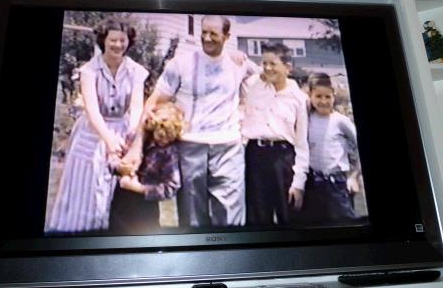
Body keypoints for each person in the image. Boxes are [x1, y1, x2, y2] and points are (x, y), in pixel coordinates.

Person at [123, 15, 253, 227]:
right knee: (192, 220)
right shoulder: (181, 64)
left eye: (214, 34)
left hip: (229, 148)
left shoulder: (239, 63)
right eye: (204, 32)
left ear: (227, 36)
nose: (207, 38)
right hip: (191, 147)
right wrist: (137, 146)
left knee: (230, 220)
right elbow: (153, 103)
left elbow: (273, 78)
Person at [46, 19, 149, 233]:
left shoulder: (136, 71)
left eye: (123, 40)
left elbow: (137, 107)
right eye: (113, 40)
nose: (118, 45)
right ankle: (79, 232)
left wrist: (132, 136)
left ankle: (109, 233)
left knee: (115, 189)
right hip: (92, 134)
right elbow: (92, 110)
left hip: (122, 130)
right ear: (104, 40)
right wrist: (108, 138)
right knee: (87, 187)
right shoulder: (89, 71)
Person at [241, 42, 309, 225]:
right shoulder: (254, 86)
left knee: (288, 216)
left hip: (283, 159)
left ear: (288, 67)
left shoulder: (299, 99)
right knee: (257, 219)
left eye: (273, 64)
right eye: (264, 63)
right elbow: (239, 66)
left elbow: (302, 143)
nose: (267, 68)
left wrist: (299, 182)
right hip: (255, 156)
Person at [109, 102, 184, 234]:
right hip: (120, 200)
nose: (161, 141)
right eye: (158, 135)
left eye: (166, 138)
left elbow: (171, 187)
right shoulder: (134, 137)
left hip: (145, 206)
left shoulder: (169, 153)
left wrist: (140, 188)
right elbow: (111, 160)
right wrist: (120, 167)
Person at [297, 72, 360, 226]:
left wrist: (354, 176)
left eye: (327, 97)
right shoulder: (306, 119)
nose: (323, 101)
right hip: (312, 183)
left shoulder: (341, 121)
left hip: (336, 184)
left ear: (334, 96)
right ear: (310, 96)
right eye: (318, 96)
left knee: (344, 225)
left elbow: (359, 148)